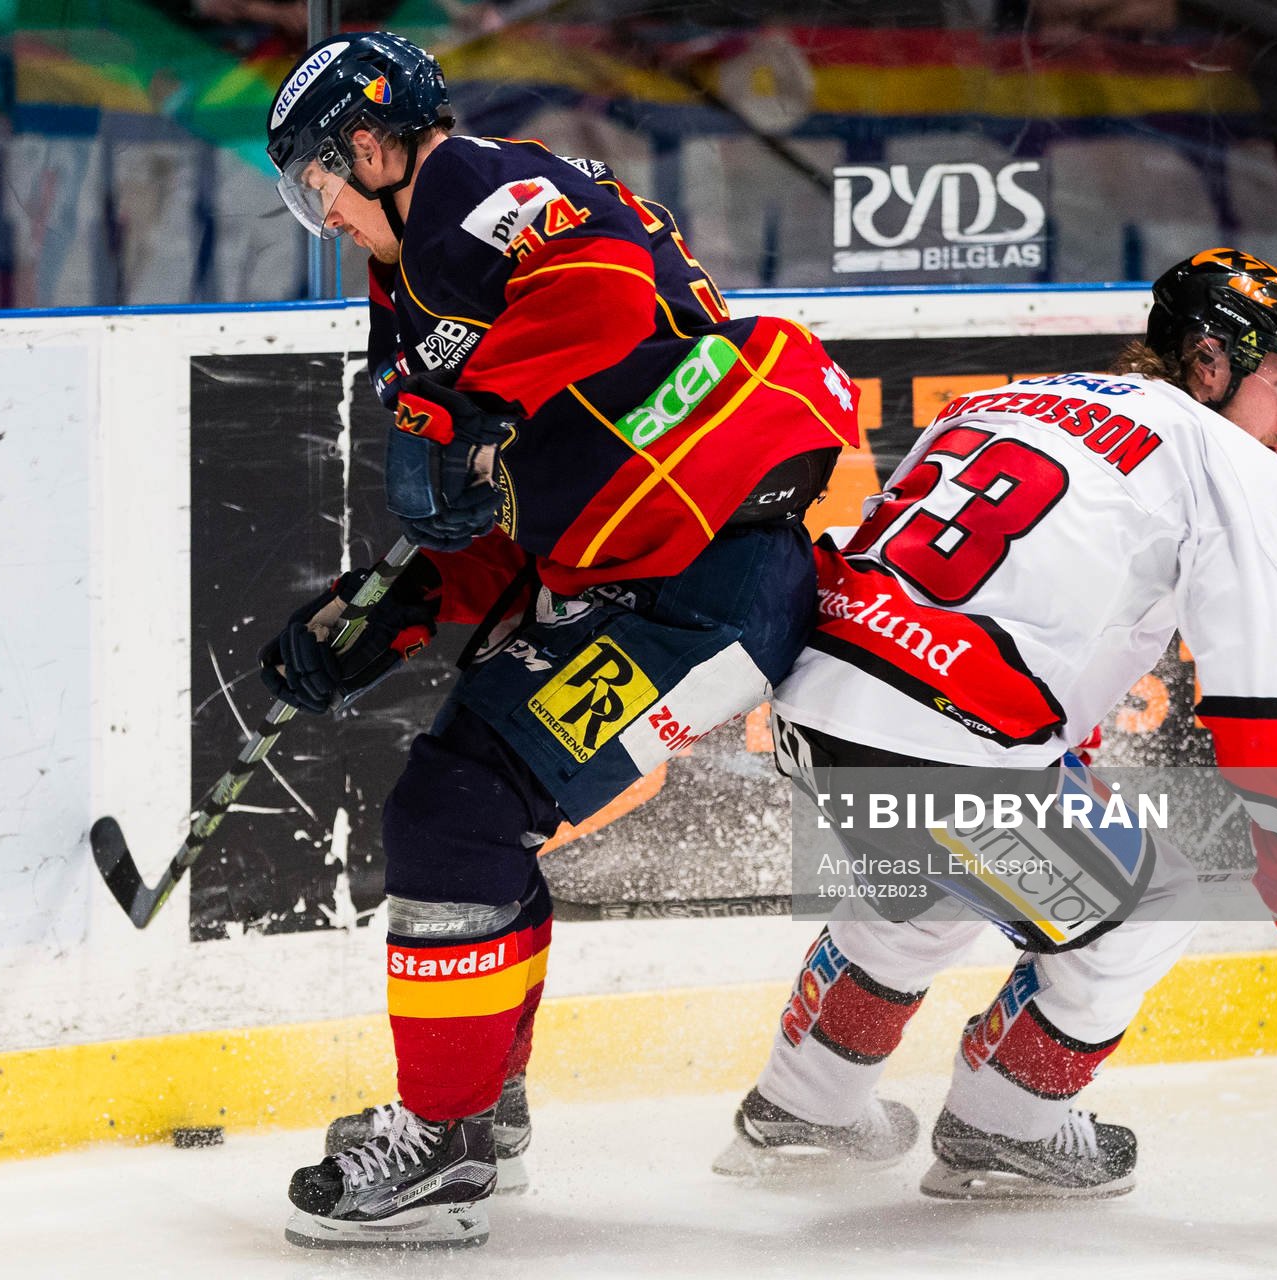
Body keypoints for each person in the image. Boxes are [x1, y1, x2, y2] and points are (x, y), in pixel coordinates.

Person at [257, 30, 861, 1248]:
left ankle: (444, 1139)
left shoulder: (472, 183)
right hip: (643, 576)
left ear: (371, 145)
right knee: (469, 807)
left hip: (705, 577)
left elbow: (602, 290)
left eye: (321, 182)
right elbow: (500, 505)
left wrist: (464, 411)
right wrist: (387, 612)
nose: (325, 216)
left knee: (456, 812)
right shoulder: (413, 283)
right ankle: (476, 1106)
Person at [714, 248, 1277, 1199]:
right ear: (1208, 362)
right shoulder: (1225, 457)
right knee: (1147, 909)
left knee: (931, 879)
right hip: (946, 738)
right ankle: (1006, 1129)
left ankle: (803, 1106)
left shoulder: (1009, 399)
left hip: (819, 702)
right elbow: (1276, 683)